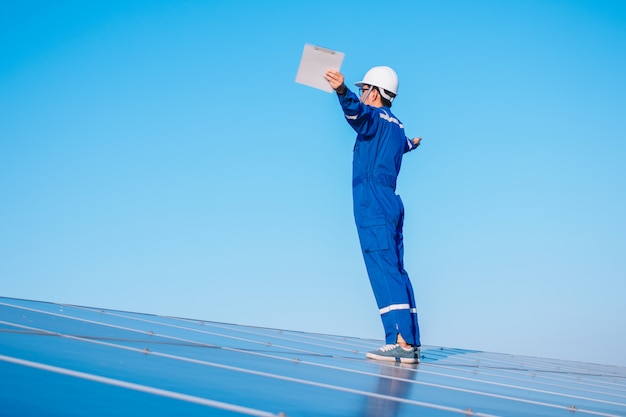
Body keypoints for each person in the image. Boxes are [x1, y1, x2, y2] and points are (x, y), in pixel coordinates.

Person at [324, 66, 422, 364]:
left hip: (373, 200)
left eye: (365, 89)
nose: (362, 94)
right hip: (391, 199)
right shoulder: (398, 126)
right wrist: (411, 145)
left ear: (375, 92)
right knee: (395, 267)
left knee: (382, 266)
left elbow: (358, 115)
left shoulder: (374, 117)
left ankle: (400, 342)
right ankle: (411, 341)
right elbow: (400, 146)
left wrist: (342, 91)